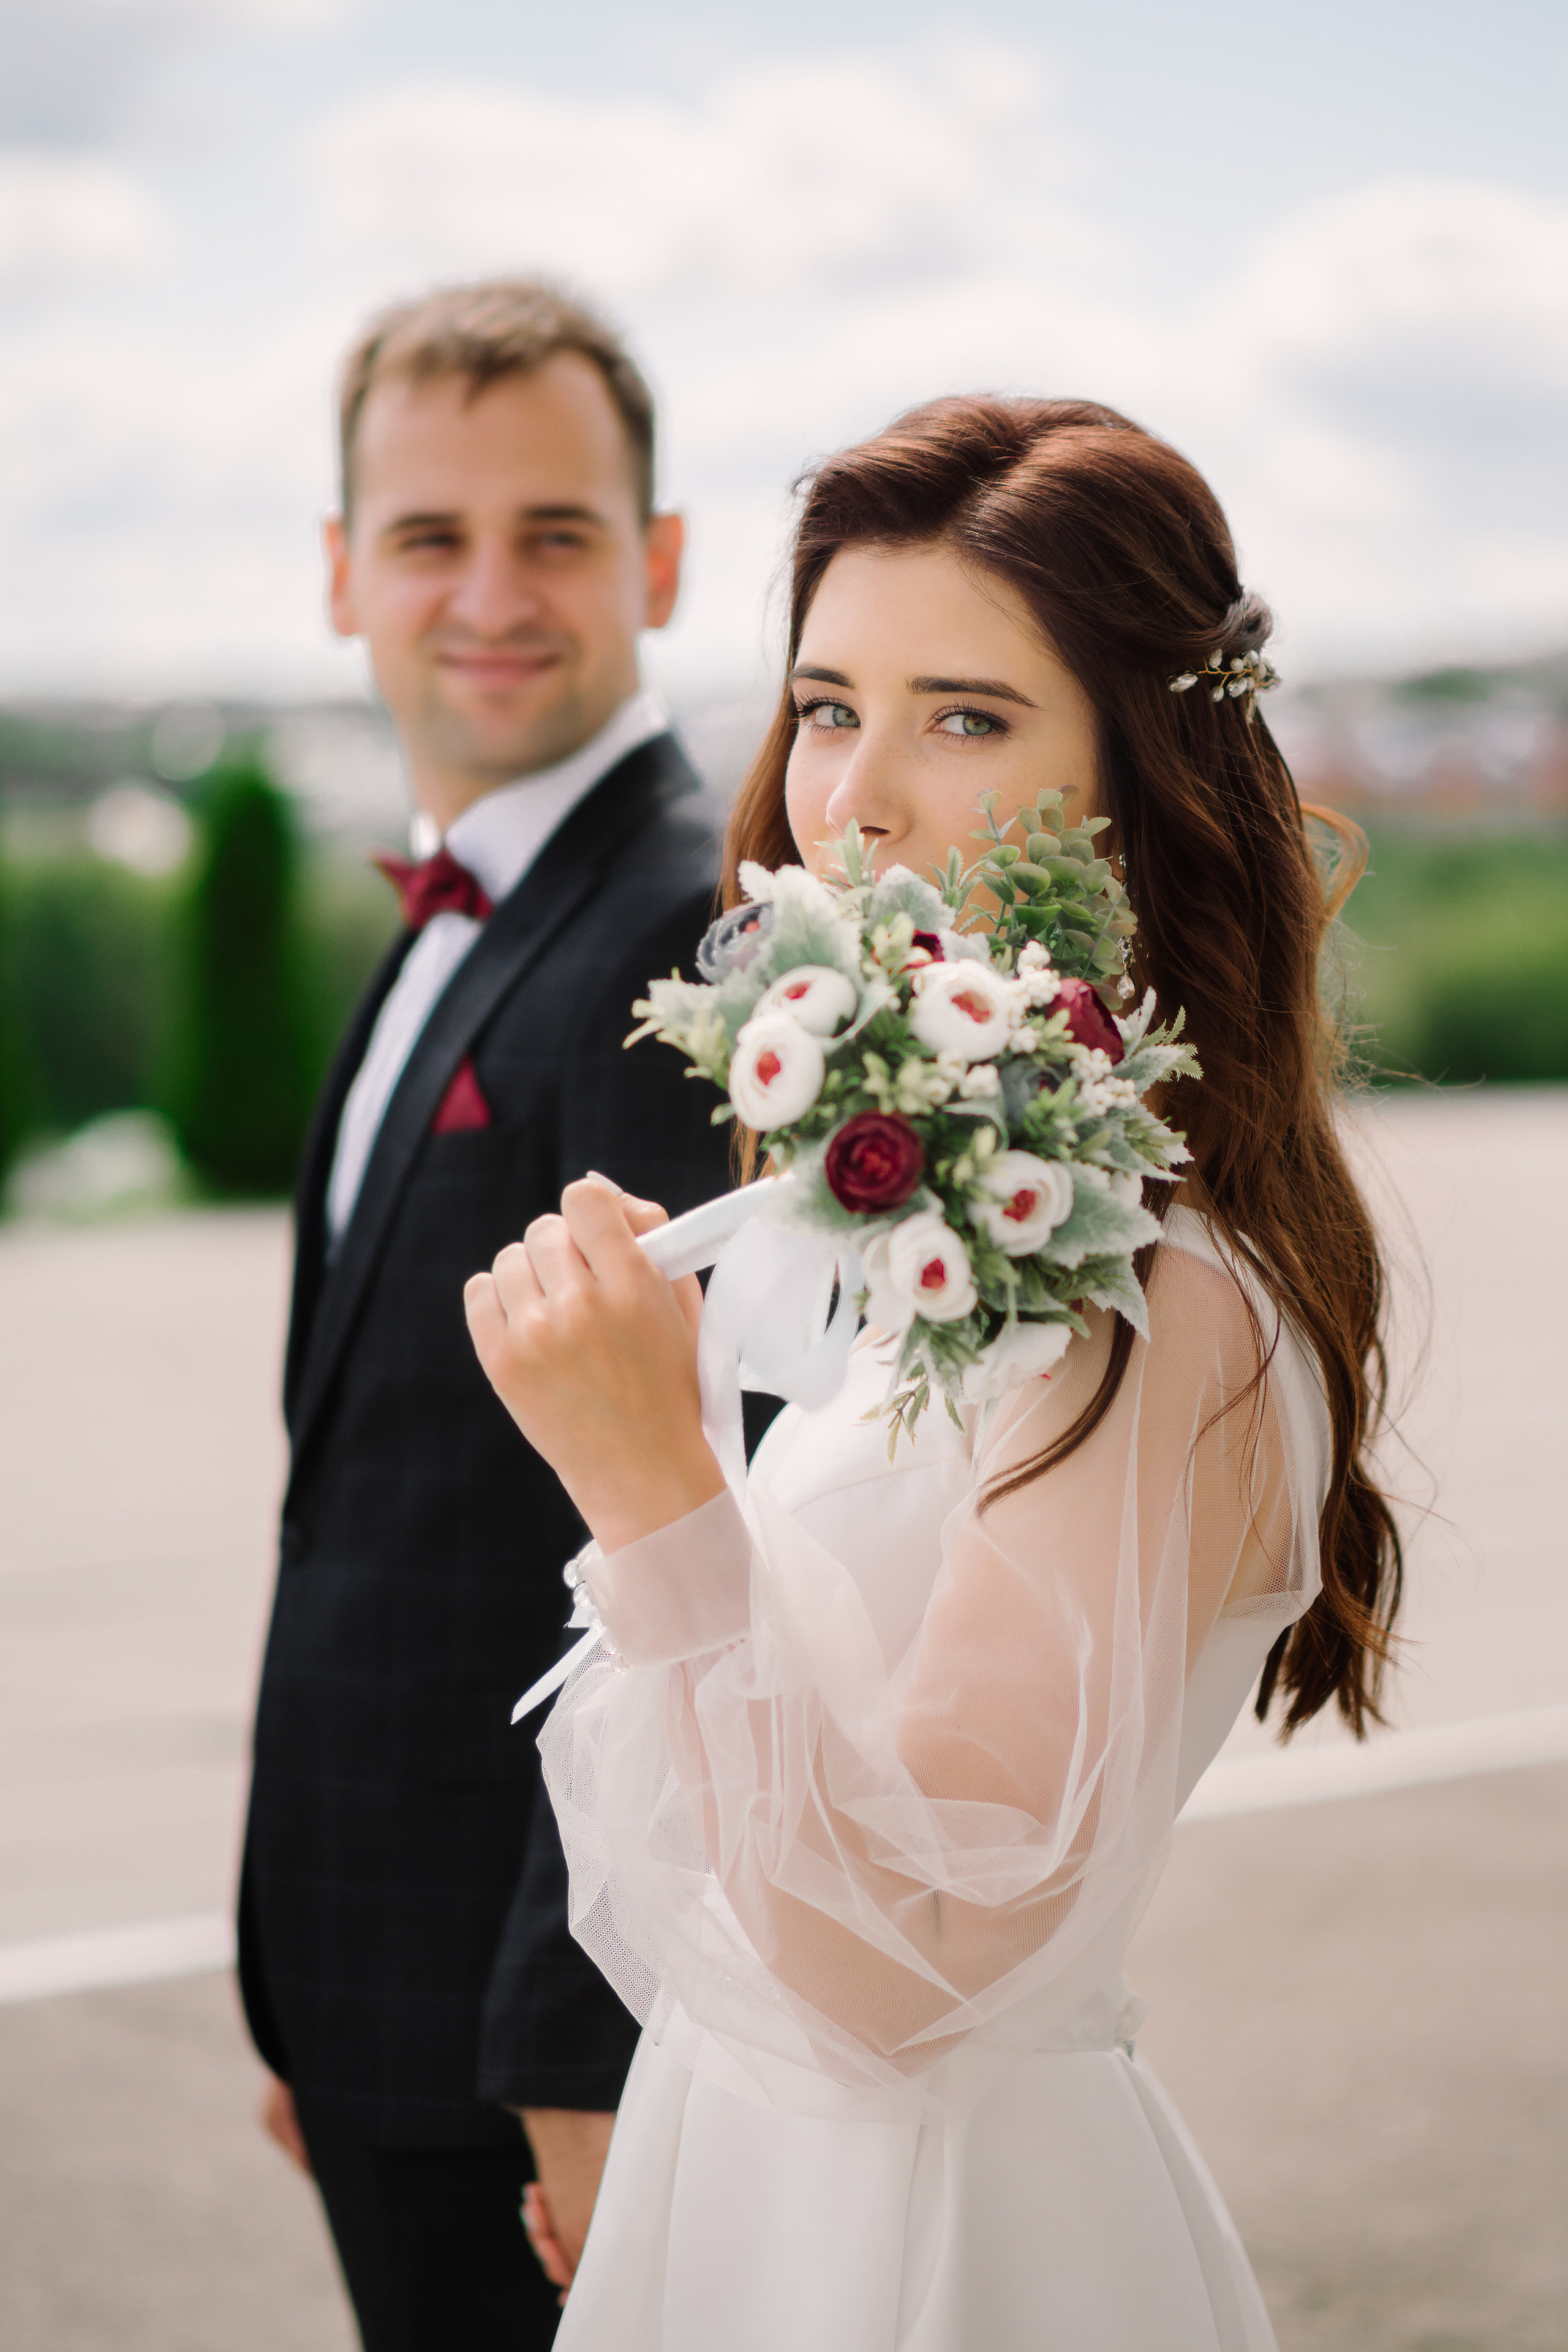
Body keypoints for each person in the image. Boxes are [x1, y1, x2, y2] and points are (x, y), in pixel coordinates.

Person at [461, 394, 1405, 2349]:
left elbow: (909, 1970)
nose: (857, 798)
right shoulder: (980, 1240)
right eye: (826, 706)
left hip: (942, 2239)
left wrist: (656, 1492)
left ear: (1141, 778)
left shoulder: (1171, 1309)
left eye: (965, 717)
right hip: (762, 2170)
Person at [236, 279, 743, 2351]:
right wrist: (308, 1984)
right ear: (345, 572)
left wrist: (576, 2053)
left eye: (556, 531)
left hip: (521, 2034)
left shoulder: (686, 944)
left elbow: (687, 1528)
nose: (491, 593)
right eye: (431, 537)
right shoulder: (469, 904)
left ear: (665, 560)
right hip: (376, 1982)